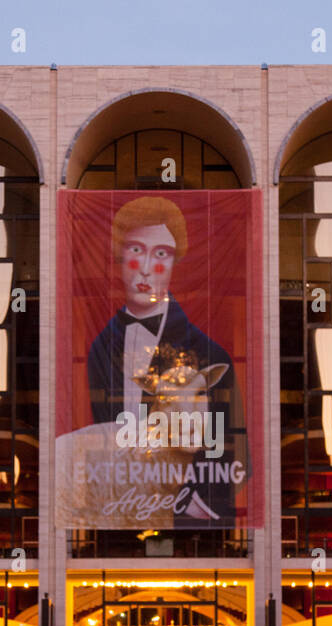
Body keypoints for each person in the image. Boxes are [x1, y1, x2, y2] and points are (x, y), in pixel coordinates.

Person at [85, 196, 243, 525]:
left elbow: (229, 446)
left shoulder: (211, 355)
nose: (145, 267)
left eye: (161, 254)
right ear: (119, 256)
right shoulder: (99, 349)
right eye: (136, 249)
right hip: (113, 513)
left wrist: (186, 504)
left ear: (175, 262)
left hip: (188, 519)